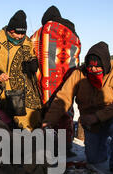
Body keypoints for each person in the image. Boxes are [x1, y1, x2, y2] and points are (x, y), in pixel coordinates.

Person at [42, 42, 113, 174]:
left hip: (111, 116)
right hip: (91, 123)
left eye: (97, 67)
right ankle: (106, 146)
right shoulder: (78, 73)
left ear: (105, 64)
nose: (93, 70)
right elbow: (63, 98)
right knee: (95, 160)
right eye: (90, 66)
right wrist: (48, 121)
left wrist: (97, 116)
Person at [31, 6, 82, 156]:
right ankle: (66, 146)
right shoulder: (72, 33)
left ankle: (47, 147)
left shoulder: (42, 32)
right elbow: (76, 55)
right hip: (67, 80)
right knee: (65, 110)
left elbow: (31, 51)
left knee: (46, 111)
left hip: (46, 82)